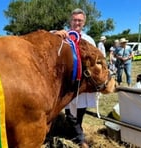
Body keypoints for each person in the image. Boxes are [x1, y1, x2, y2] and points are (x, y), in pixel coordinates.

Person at [53, 8, 96, 148]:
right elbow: (46, 38)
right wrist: (55, 33)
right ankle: (81, 138)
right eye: (74, 20)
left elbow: (97, 60)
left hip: (83, 82)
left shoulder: (89, 40)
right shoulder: (63, 36)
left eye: (80, 20)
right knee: (69, 109)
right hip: (67, 82)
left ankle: (76, 132)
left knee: (80, 110)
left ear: (84, 22)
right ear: (70, 21)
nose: (77, 23)